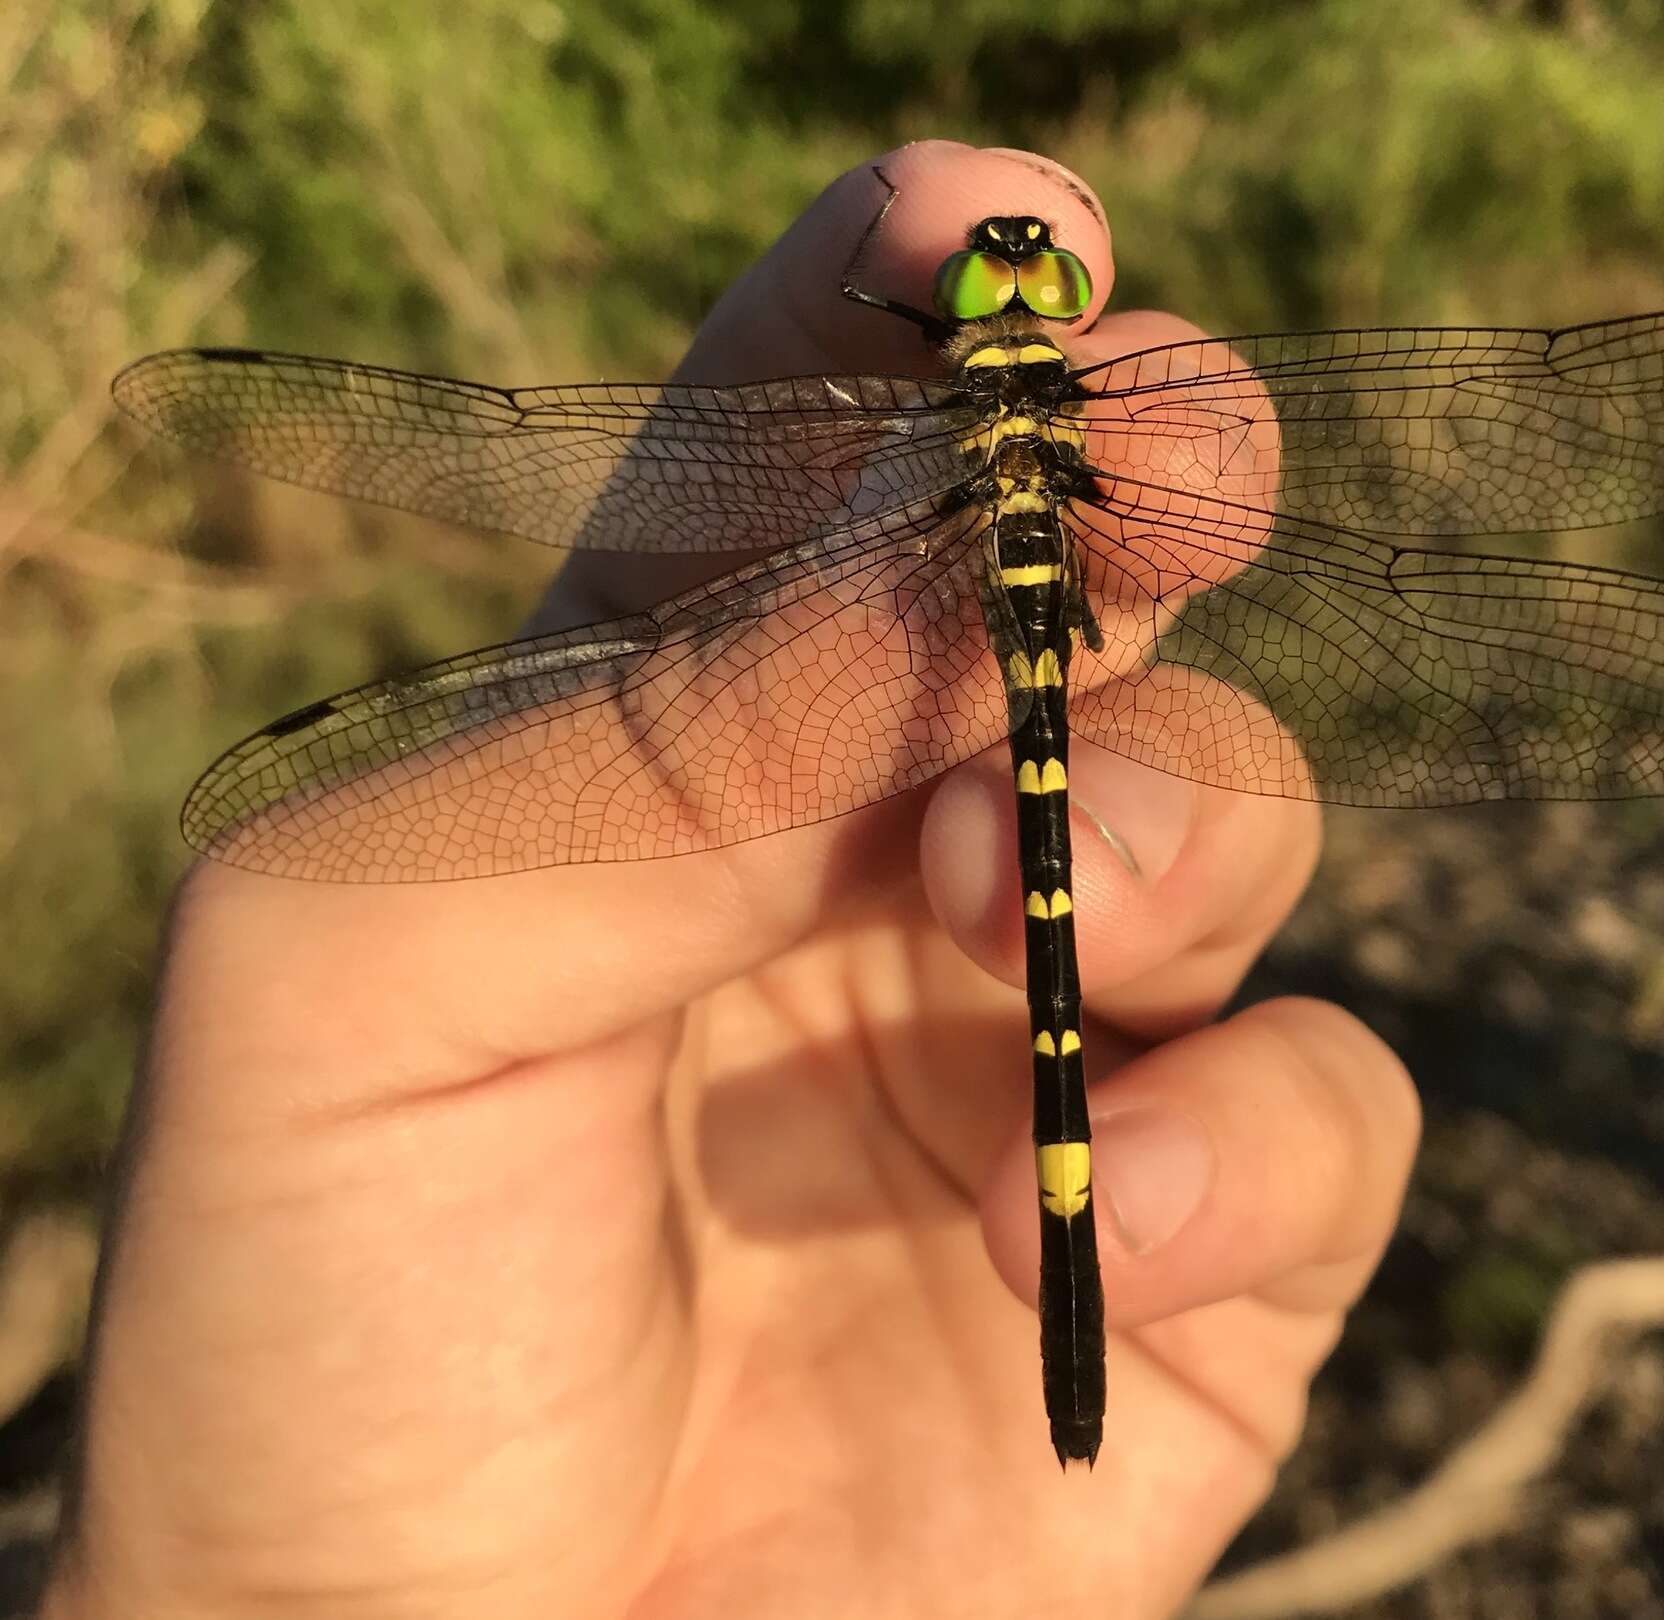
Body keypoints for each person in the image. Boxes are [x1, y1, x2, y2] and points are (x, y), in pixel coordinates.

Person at [43, 142, 1418, 1620]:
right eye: (994, 275)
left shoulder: (938, 409)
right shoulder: (1046, 418)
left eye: (1036, 281)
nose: (1016, 282)